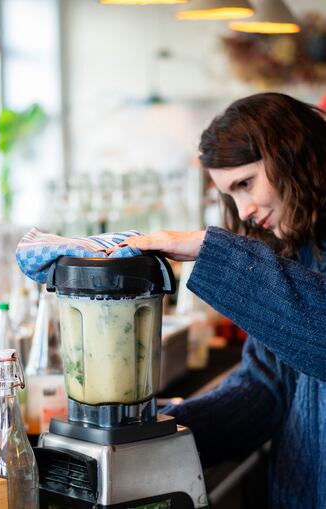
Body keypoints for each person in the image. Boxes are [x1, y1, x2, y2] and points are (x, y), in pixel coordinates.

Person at [108, 93, 326, 509]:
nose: (242, 210)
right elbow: (265, 390)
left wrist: (209, 248)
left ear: (293, 154)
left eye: (246, 183)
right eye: (230, 195)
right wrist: (158, 434)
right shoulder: (297, 250)